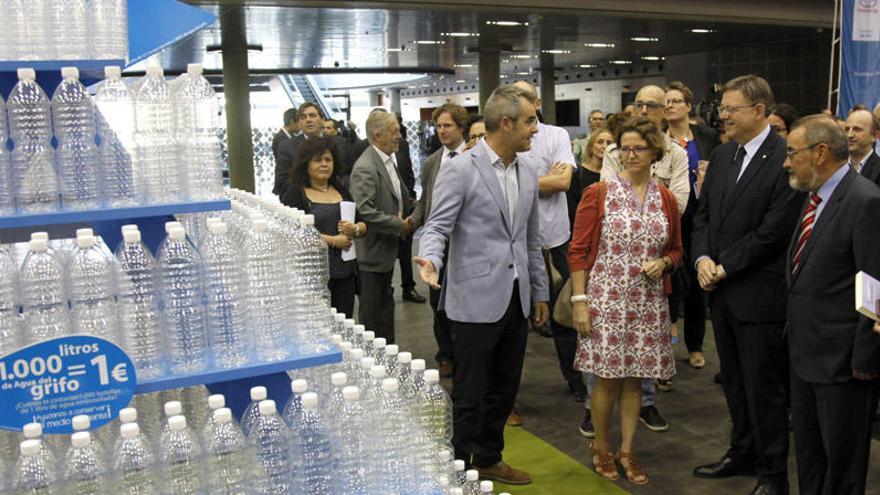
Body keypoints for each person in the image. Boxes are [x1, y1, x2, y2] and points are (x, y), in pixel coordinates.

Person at [414, 84, 549, 485]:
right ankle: (456, 468)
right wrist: (431, 259)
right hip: (472, 299)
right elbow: (437, 226)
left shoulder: (528, 169)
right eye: (529, 121)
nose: (535, 129)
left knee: (504, 388)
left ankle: (489, 457)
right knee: (470, 392)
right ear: (505, 123)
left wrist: (539, 290)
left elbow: (529, 237)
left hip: (515, 298)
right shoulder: (460, 167)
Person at [691, 75, 804, 495]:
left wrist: (724, 266)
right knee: (736, 382)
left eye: (730, 109)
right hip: (721, 293)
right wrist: (702, 258)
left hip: (759, 294)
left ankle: (773, 474)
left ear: (759, 111)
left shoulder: (783, 157)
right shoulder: (722, 156)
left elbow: (774, 230)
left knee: (764, 389)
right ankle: (742, 452)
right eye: (722, 109)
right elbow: (703, 216)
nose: (723, 116)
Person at [568, 116, 683, 486]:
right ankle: (601, 446)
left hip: (647, 301)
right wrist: (580, 300)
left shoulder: (665, 198)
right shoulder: (599, 193)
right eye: (624, 148)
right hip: (605, 297)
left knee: (635, 380)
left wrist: (665, 261)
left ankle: (628, 450)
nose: (630, 155)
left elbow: (678, 249)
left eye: (639, 148)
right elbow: (578, 250)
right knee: (605, 380)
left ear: (655, 153)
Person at [782, 114, 880, 495]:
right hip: (805, 355)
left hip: (843, 364)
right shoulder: (813, 197)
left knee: (842, 466)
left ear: (820, 152)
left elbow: (873, 281)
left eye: (793, 153)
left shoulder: (865, 200)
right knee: (809, 457)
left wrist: (866, 357)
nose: (787, 162)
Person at [600, 84, 688, 432]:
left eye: (652, 105)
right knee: (606, 358)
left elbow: (678, 205)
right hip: (610, 272)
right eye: (638, 103)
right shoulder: (613, 151)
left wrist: (649, 201)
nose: (643, 109)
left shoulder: (676, 155)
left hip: (654, 267)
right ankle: (598, 417)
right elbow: (608, 202)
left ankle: (645, 406)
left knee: (645, 352)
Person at [512, 80, 585, 402]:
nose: (521, 104)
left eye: (525, 98)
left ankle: (576, 380)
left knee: (564, 315)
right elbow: (547, 181)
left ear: (538, 102)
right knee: (513, 319)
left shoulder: (555, 135)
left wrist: (515, 182)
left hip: (554, 239)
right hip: (514, 242)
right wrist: (543, 180)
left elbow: (563, 181)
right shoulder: (506, 136)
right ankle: (510, 394)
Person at [665, 81, 721, 370]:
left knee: (699, 283)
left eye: (676, 100)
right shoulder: (659, 139)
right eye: (667, 101)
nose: (670, 105)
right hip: (669, 219)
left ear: (688, 106)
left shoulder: (707, 136)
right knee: (671, 281)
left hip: (700, 217)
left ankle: (696, 344)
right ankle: (667, 340)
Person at [411, 103, 469, 378]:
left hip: (466, 243)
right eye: (439, 126)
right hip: (438, 242)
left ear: (461, 127)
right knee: (438, 302)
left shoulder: (473, 157)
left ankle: (463, 353)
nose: (442, 131)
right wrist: (411, 222)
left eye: (448, 126)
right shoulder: (433, 161)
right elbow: (426, 200)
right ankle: (445, 355)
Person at [280, 137, 366, 318]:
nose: (324, 164)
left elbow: (363, 223)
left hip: (345, 273)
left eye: (328, 160)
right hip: (313, 274)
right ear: (306, 164)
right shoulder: (296, 194)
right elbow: (293, 232)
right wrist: (334, 241)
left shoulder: (341, 190)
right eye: (317, 160)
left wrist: (355, 229)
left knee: (344, 323)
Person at [349, 109, 413, 344]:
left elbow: (399, 198)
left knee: (385, 311)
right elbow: (365, 211)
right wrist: (399, 225)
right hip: (372, 256)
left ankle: (388, 360)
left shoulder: (387, 160)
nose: (399, 136)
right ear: (377, 136)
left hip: (385, 252)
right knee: (374, 317)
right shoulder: (366, 166)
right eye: (394, 131)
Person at [274, 102, 353, 197]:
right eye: (303, 117)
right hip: (301, 201)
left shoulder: (340, 144)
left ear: (322, 120)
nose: (308, 120)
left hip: (335, 197)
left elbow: (350, 173)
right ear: (299, 123)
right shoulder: (287, 147)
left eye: (312, 116)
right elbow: (281, 181)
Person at [394, 113, 426, 304]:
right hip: (386, 212)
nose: (397, 134)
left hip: (405, 204)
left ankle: (408, 287)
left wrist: (411, 196)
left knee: (406, 251)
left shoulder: (403, 145)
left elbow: (407, 172)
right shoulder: (365, 150)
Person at [567, 128, 612, 226]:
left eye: (609, 143)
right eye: (600, 142)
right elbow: (571, 208)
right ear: (591, 146)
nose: (605, 146)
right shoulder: (577, 173)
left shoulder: (614, 176)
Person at [845, 107, 880, 185]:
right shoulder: (834, 167)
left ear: (874, 136)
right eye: (847, 129)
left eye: (857, 129)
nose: (849, 135)